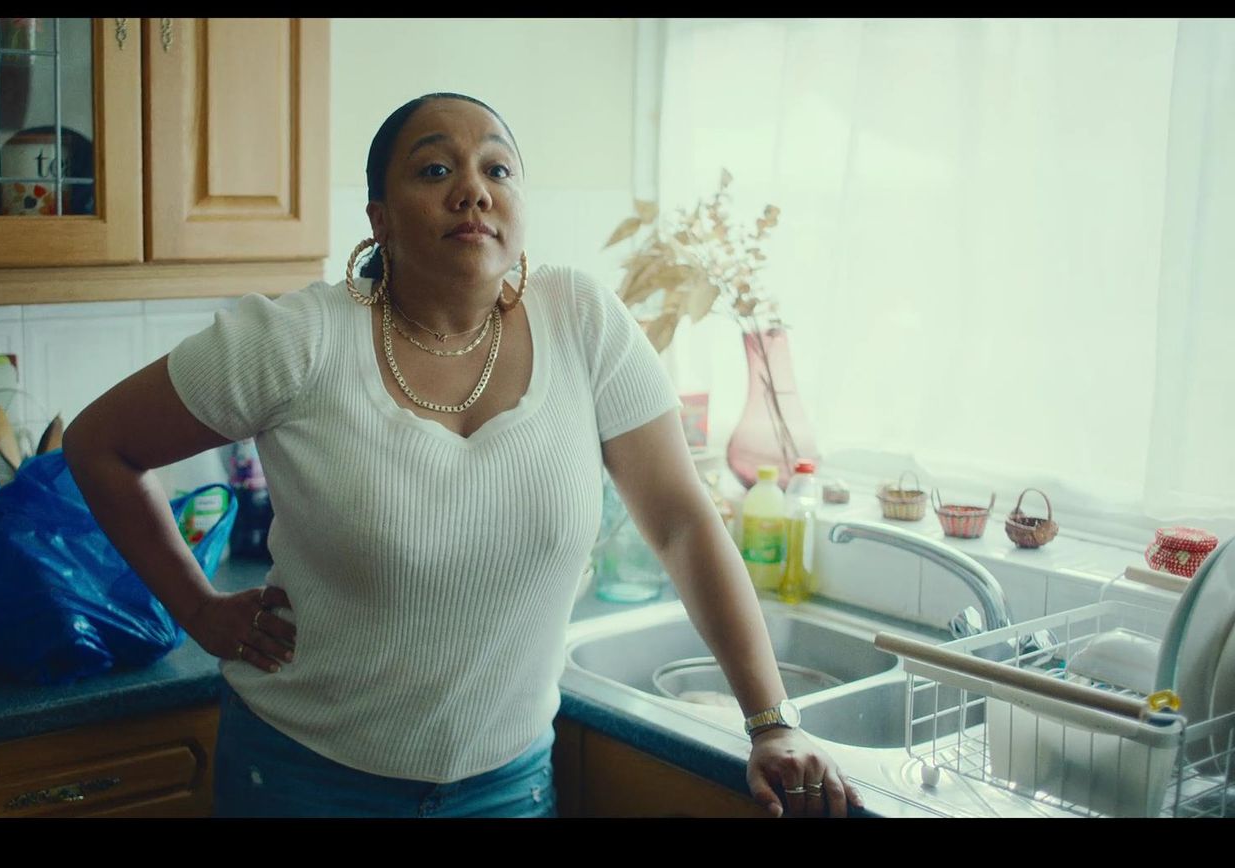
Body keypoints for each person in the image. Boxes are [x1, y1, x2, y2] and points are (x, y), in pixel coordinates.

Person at [63, 92, 864, 819]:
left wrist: (771, 722)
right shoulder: (294, 342)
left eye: (497, 168)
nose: (472, 188)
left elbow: (684, 522)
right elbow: (100, 444)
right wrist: (198, 607)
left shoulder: (583, 321)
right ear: (378, 217)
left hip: (506, 787)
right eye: (436, 167)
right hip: (304, 778)